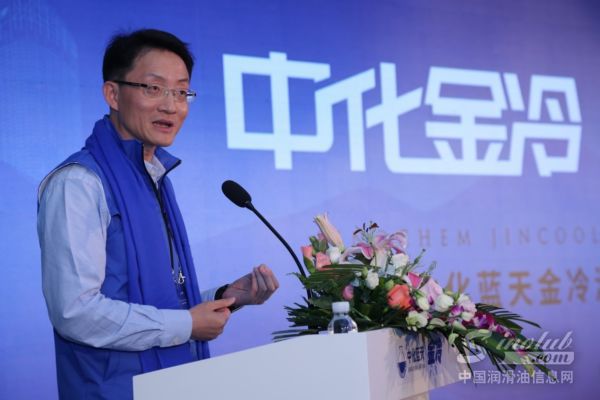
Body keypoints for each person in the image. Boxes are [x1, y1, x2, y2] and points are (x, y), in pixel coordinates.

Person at [36, 29, 279, 399]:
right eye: (154, 88)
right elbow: (76, 313)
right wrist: (186, 325)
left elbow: (155, 299)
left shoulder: (154, 177)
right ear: (112, 94)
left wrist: (226, 295)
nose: (171, 106)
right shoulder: (79, 184)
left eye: (181, 92)